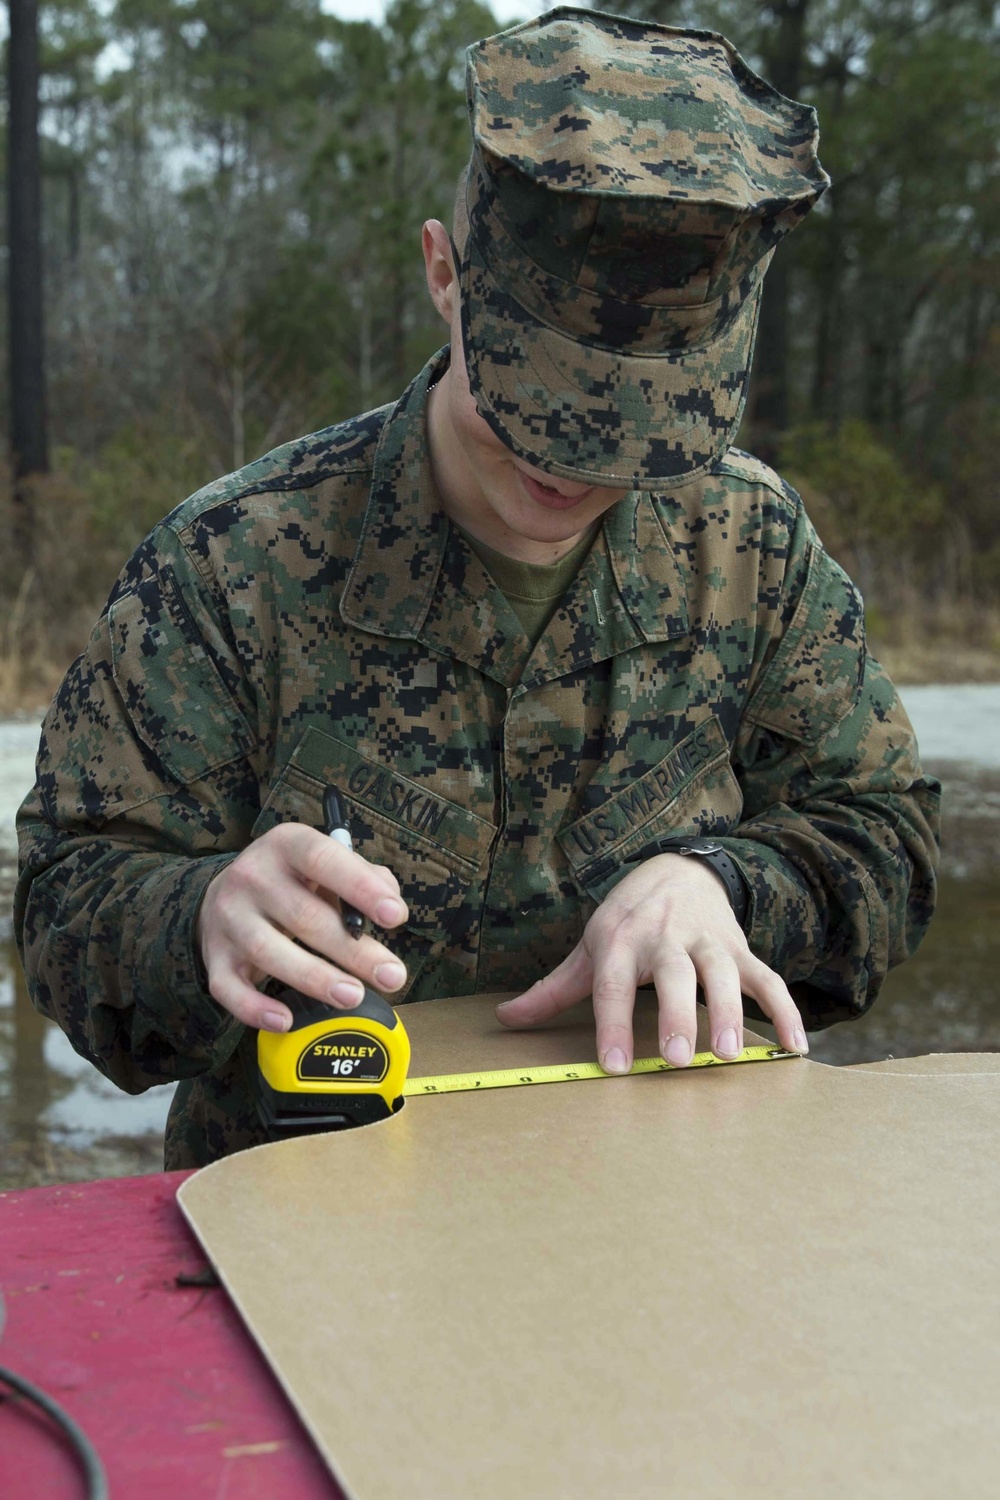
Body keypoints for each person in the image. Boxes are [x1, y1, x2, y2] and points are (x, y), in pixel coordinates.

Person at [15, 8, 939, 1168]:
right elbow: (66, 900)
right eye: (538, 409)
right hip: (313, 1227)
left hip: (676, 1209)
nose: (572, 468)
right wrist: (201, 918)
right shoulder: (233, 564)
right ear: (444, 275)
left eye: (634, 437)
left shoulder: (748, 546)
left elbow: (886, 835)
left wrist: (725, 884)